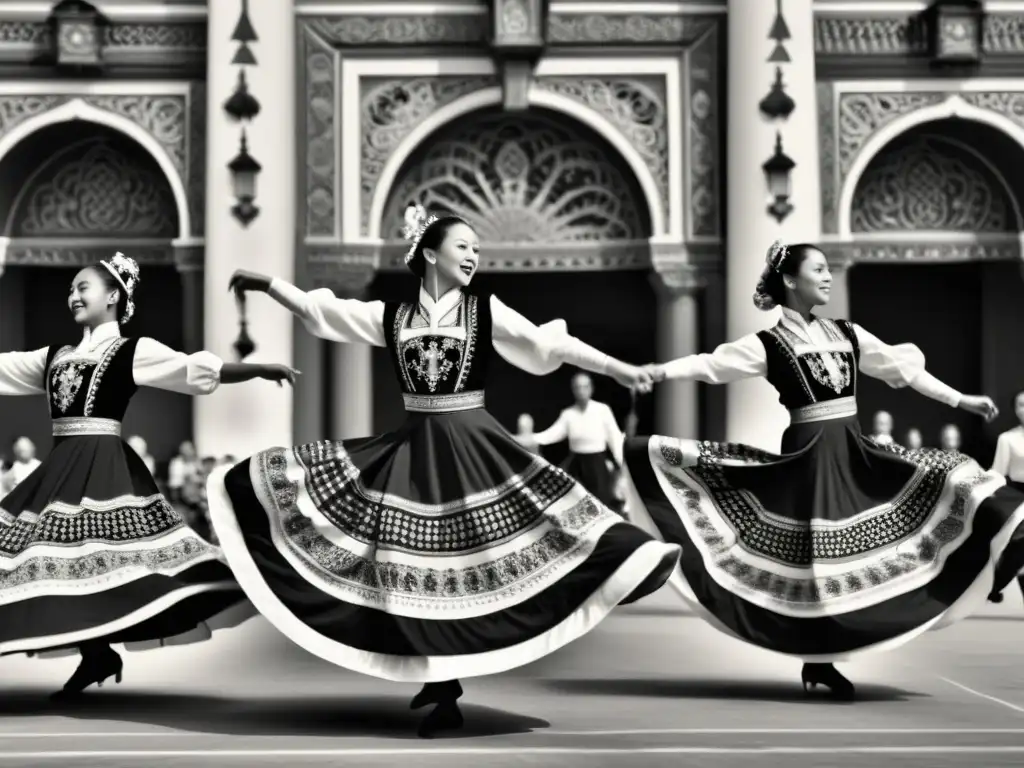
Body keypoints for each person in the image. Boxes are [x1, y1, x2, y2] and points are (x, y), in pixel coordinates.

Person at [208, 206, 680, 738]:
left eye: (477, 249)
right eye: (464, 246)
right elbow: (328, 313)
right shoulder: (393, 316)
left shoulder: (484, 309)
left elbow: (550, 346)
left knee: (532, 531)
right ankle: (442, 682)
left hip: (473, 448)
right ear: (430, 253)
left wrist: (619, 369)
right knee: (417, 568)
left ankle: (622, 570)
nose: (474, 256)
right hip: (416, 450)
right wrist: (271, 285)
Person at [623, 241, 1024, 701]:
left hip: (853, 450)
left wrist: (962, 400)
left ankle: (1005, 548)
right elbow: (711, 365)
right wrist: (659, 371)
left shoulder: (847, 333)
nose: (829, 276)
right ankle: (820, 661)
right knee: (816, 565)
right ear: (791, 281)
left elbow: (903, 369)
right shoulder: (770, 343)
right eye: (819, 268)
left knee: (951, 477)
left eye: (829, 268)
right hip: (808, 456)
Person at [0, 252, 297, 698]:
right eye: (70, 289)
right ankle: (97, 653)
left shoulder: (131, 351)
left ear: (113, 296)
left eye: (83, 287)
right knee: (60, 561)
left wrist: (257, 368)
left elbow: (193, 368)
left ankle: (99, 650)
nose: (73, 296)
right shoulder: (54, 356)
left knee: (101, 560)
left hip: (103, 470)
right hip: (62, 469)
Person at [524, 372, 626, 514]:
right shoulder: (568, 413)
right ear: (573, 390)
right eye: (578, 387)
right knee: (575, 503)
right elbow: (553, 434)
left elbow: (614, 437)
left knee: (600, 505)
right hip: (576, 464)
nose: (581, 390)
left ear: (591, 388)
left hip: (597, 465)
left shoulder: (602, 410)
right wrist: (533, 438)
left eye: (585, 386)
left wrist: (621, 463)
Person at [988, 391, 1024, 604]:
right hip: (1018, 495)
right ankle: (995, 583)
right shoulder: (1007, 438)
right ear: (1015, 410)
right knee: (1021, 543)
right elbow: (997, 473)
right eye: (1021, 404)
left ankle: (995, 585)